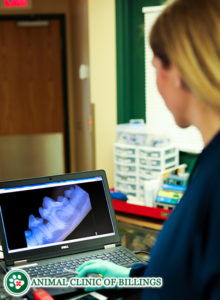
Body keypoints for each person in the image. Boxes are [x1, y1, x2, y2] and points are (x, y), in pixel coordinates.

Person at [76, 0, 220, 298]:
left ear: (178, 70)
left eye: (155, 67)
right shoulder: (209, 163)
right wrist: (134, 276)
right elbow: (191, 271)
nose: (155, 82)